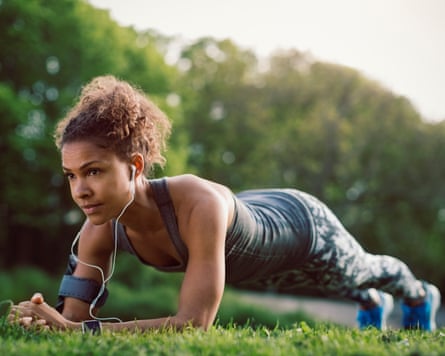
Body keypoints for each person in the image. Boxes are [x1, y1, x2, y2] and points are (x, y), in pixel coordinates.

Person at [8, 75, 441, 333]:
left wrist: (81, 331)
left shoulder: (197, 204)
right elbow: (73, 319)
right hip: (251, 236)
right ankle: (370, 304)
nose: (80, 190)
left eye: (94, 171)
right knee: (331, 287)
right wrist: (42, 316)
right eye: (71, 175)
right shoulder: (97, 228)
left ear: (135, 166)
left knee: (360, 271)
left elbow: (194, 322)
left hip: (301, 227)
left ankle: (420, 295)